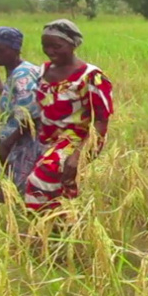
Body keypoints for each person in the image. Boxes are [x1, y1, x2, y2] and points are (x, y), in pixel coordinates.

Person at [25, 19, 114, 211]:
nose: (50, 51)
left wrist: (79, 155)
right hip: (46, 138)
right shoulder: (44, 70)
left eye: (57, 46)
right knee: (62, 190)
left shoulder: (91, 76)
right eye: (45, 46)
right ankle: (61, 229)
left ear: (72, 44)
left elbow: (101, 120)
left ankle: (41, 227)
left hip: (76, 138)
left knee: (40, 181)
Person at [0, 26, 42, 196]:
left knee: (18, 189)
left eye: (0, 50)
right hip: (14, 137)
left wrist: (7, 143)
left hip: (25, 141)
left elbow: (31, 115)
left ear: (16, 49)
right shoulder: (13, 73)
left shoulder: (23, 74)